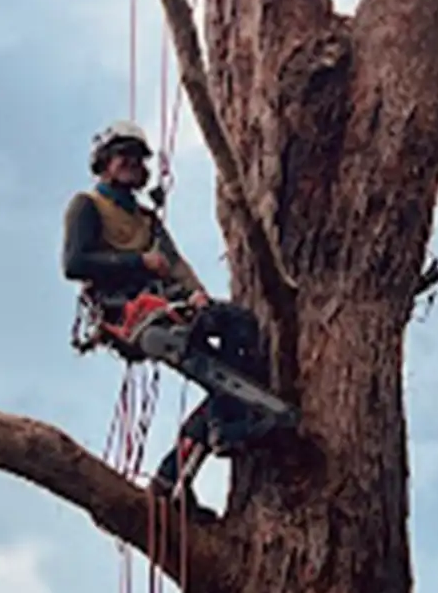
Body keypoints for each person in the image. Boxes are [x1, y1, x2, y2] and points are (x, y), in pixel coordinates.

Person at [64, 121, 285, 499]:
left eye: (137, 158)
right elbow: (75, 263)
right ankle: (224, 425)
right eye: (124, 156)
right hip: (124, 311)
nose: (132, 163)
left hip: (162, 306)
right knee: (220, 377)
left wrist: (196, 294)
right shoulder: (87, 206)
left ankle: (175, 474)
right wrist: (138, 262)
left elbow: (175, 264)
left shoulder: (147, 219)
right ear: (104, 162)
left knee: (237, 334)